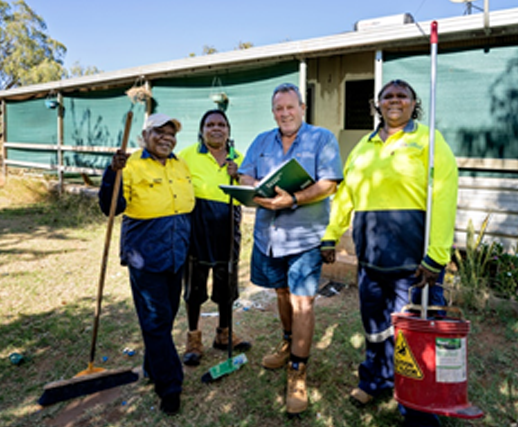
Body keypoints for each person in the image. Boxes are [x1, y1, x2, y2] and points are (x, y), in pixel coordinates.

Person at [320, 80, 459, 427]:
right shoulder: (363, 148)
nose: (394, 100)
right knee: (375, 327)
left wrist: (437, 255)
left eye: (402, 96)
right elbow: (346, 196)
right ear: (376, 104)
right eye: (388, 96)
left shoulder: (429, 140)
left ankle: (416, 405)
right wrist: (330, 236)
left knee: (412, 333)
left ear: (414, 104)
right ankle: (376, 379)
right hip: (370, 260)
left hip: (415, 263)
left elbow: (444, 196)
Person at [238, 83, 343, 416]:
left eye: (290, 107)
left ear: (302, 107)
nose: (284, 113)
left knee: (303, 302)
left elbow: (330, 182)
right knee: (282, 294)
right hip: (268, 236)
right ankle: (287, 343)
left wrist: (294, 198)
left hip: (304, 238)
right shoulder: (261, 141)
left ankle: (298, 369)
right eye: (278, 109)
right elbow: (244, 175)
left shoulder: (321, 138)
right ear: (273, 112)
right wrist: (256, 189)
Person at [98, 113, 194, 416]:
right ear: (144, 136)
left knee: (165, 319)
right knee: (155, 320)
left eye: (171, 133)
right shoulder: (130, 165)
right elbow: (111, 208)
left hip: (177, 254)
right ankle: (170, 385)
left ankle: (153, 367)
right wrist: (112, 173)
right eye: (159, 132)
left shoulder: (180, 165)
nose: (167, 138)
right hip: (146, 256)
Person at [177, 109, 250, 367]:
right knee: (194, 288)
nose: (216, 128)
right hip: (197, 231)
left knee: (226, 287)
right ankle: (193, 337)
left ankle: (224, 333)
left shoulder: (239, 159)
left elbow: (252, 192)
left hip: (228, 232)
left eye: (221, 124)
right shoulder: (186, 156)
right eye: (210, 124)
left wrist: (239, 175)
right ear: (202, 130)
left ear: (228, 131)